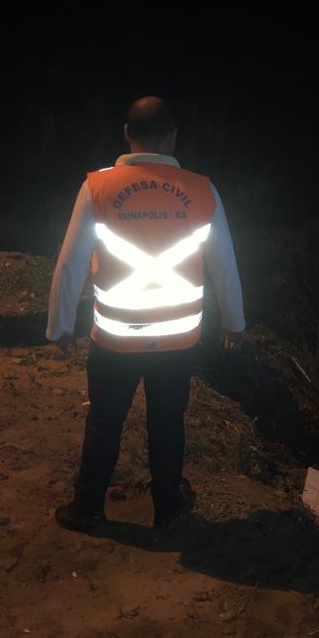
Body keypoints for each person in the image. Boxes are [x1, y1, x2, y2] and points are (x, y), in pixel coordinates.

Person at [46, 96, 245, 532]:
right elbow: (225, 263)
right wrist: (234, 322)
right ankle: (169, 509)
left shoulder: (98, 187)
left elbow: (70, 262)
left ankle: (88, 508)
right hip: (177, 339)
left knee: (104, 419)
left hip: (115, 338)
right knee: (168, 421)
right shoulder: (201, 190)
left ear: (125, 133)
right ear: (172, 136)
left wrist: (59, 326)